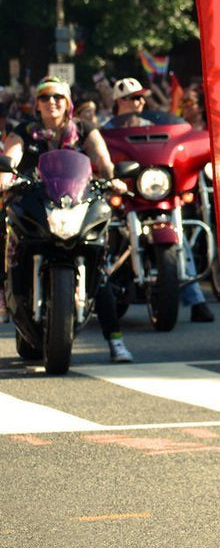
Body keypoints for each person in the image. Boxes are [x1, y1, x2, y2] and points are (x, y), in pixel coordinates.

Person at [1, 77, 133, 363]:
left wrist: (113, 179)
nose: (52, 102)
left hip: (76, 205)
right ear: (36, 104)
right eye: (45, 97)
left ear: (68, 103)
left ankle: (115, 341)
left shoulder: (84, 129)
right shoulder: (24, 131)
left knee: (98, 268)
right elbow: (11, 156)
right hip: (36, 204)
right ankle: (4, 290)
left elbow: (103, 160)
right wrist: (5, 177)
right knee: (7, 229)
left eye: (58, 97)